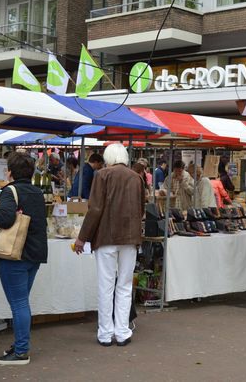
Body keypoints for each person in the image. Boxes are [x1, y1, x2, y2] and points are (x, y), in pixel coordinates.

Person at [75, 144, 146, 347]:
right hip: (130, 238)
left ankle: (105, 333)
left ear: (108, 158)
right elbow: (141, 209)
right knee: (124, 286)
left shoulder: (102, 175)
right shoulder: (136, 177)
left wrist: (82, 237)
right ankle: (122, 331)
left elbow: (95, 208)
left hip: (106, 238)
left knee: (106, 286)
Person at [0, 152, 47, 365]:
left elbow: (5, 219)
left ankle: (21, 351)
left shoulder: (9, 191)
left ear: (10, 172)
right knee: (22, 302)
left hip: (15, 254)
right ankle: (20, 344)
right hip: (35, 253)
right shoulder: (37, 192)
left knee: (19, 303)